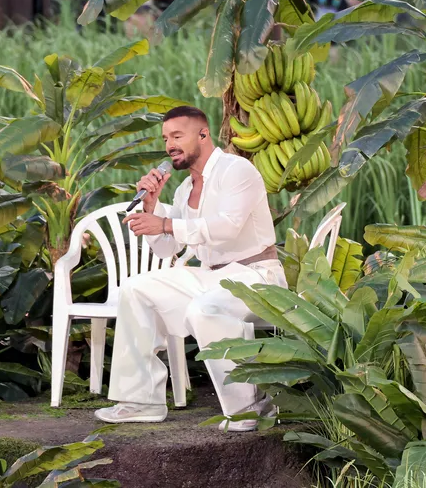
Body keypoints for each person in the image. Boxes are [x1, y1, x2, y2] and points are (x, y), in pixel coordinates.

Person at [94, 106, 288, 432]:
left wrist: (167, 222)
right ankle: (141, 401)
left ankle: (250, 408)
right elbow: (171, 248)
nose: (170, 144)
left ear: (202, 134)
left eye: (177, 136)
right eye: (166, 138)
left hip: (257, 275)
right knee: (135, 288)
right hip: (211, 275)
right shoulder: (185, 189)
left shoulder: (237, 170)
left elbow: (227, 227)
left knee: (205, 309)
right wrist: (152, 208)